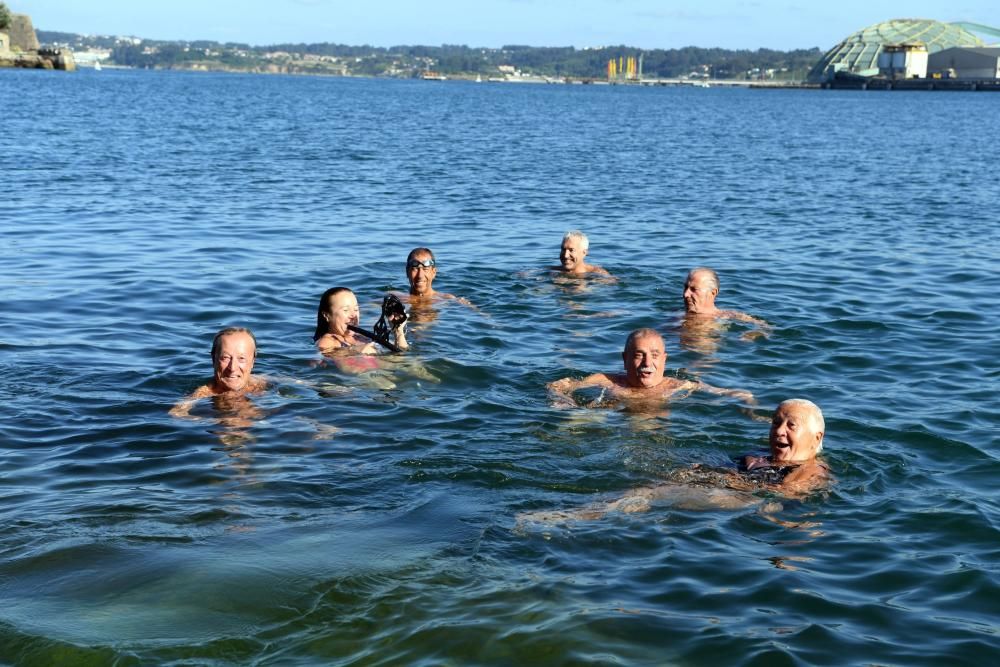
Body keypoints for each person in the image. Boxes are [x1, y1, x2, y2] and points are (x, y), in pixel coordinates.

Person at [518, 399, 830, 526]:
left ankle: (567, 518)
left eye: (791, 425)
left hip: (742, 502)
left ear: (816, 438)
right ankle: (575, 515)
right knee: (646, 489)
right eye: (776, 422)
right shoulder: (760, 456)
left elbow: (783, 495)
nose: (779, 430)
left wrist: (724, 482)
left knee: (649, 493)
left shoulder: (812, 468)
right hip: (727, 489)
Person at [547, 328, 755, 408]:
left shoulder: (679, 385)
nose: (648, 363)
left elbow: (726, 393)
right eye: (639, 355)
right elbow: (557, 385)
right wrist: (565, 402)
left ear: (664, 359)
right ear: (625, 359)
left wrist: (748, 402)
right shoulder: (606, 380)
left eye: (654, 356)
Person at [169, 327, 267, 418]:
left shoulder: (258, 382)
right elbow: (176, 413)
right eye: (225, 358)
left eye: (241, 358)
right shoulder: (204, 393)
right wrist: (211, 421)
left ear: (252, 362)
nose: (232, 368)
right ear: (213, 359)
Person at [314, 286, 407, 355]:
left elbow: (402, 353)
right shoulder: (328, 342)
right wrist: (356, 352)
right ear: (327, 315)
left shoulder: (361, 337)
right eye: (346, 310)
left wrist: (398, 332)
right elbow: (342, 365)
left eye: (356, 309)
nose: (353, 315)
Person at [682, 267, 770, 338]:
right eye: (686, 288)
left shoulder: (727, 315)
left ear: (713, 292)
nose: (686, 294)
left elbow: (766, 327)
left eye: (693, 289)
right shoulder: (675, 314)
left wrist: (751, 334)